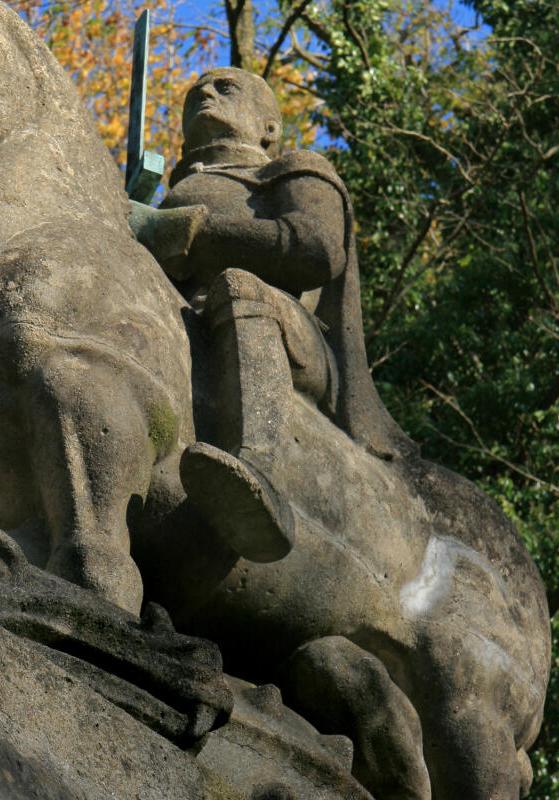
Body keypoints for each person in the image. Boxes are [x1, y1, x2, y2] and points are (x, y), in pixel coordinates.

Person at [132, 67, 410, 561]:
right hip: (189, 317)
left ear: (268, 128)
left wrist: (192, 235)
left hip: (286, 333)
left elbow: (317, 248)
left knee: (241, 289)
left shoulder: (289, 171)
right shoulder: (159, 196)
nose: (204, 95)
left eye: (224, 89)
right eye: (195, 93)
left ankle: (259, 472)